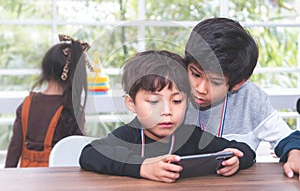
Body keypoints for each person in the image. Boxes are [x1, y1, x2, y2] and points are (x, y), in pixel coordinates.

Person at [79, 50, 255, 183]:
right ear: (131, 104)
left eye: (177, 101)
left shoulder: (191, 136)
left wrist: (236, 159)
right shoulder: (128, 135)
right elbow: (90, 154)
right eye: (154, 102)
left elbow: (244, 149)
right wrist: (142, 167)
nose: (166, 111)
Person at [183, 17, 300, 180]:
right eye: (195, 74)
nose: (200, 89)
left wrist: (295, 154)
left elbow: (288, 138)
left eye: (215, 82)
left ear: (237, 84)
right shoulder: (170, 91)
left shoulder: (250, 98)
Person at [5, 34, 91, 167]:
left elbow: (14, 148)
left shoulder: (27, 104)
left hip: (27, 181)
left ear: (45, 69)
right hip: (59, 182)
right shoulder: (71, 110)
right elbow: (76, 152)